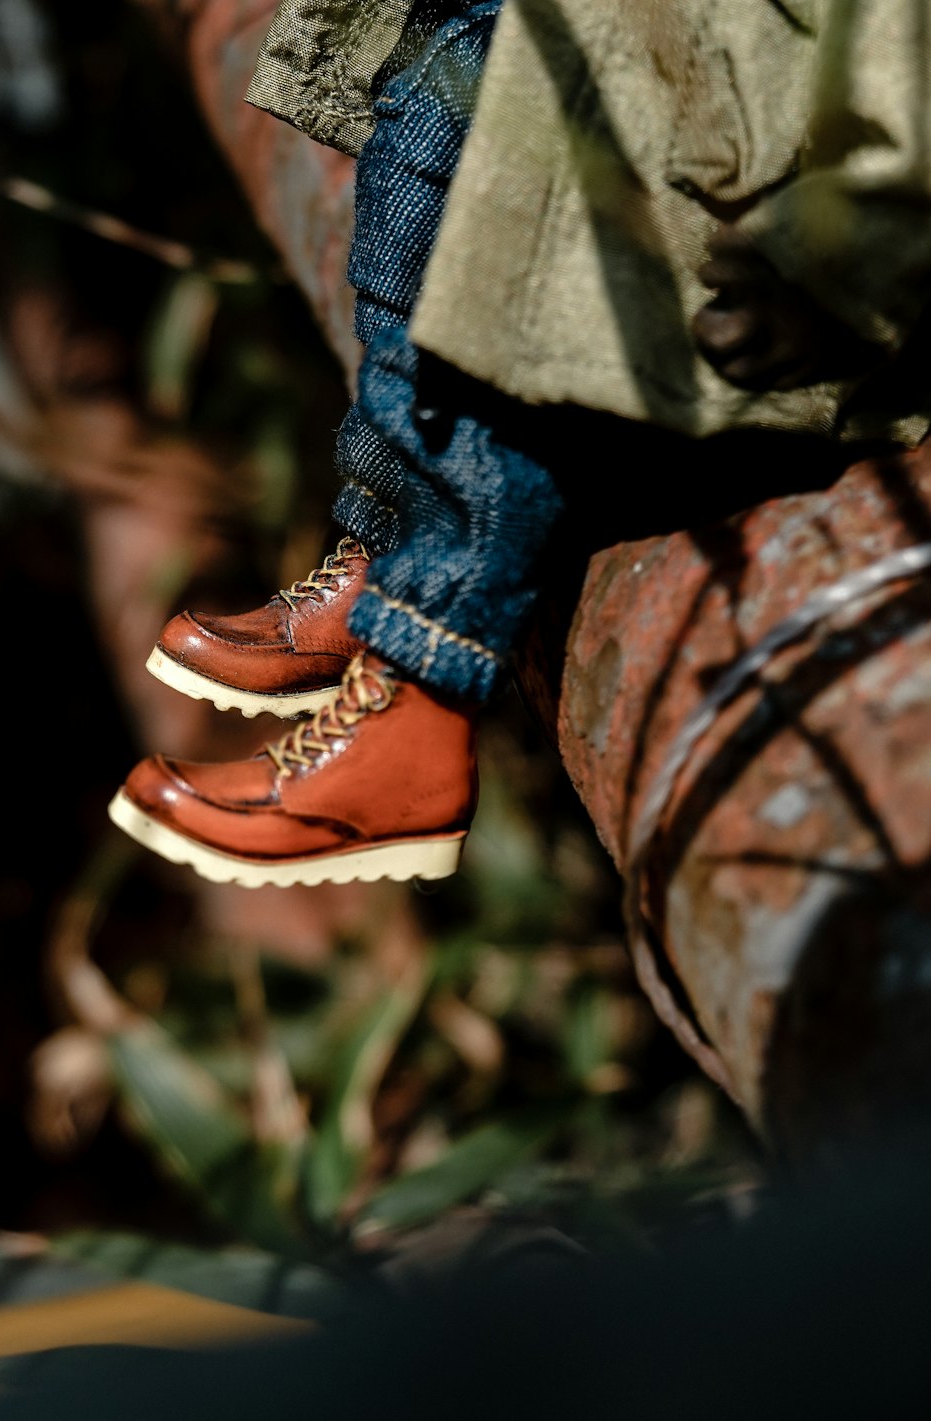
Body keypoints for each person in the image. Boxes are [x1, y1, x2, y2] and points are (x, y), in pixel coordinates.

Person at [108, 0, 931, 890]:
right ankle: (391, 545)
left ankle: (417, 688)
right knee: (459, 69)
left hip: (774, 266)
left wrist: (835, 260)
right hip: (722, 152)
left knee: (539, 135)